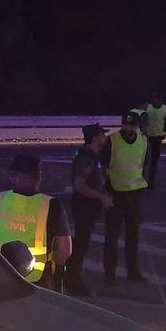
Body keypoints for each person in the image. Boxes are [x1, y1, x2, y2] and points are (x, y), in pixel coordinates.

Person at [0, 153, 70, 289]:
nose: (11, 179)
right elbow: (64, 251)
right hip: (38, 280)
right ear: (38, 178)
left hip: (2, 273)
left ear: (20, 177)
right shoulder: (51, 205)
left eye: (13, 175)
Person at [62, 125, 114, 297]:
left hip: (86, 207)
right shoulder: (87, 157)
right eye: (102, 135)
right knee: (80, 247)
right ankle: (73, 282)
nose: (104, 138)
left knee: (81, 245)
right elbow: (79, 184)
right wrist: (101, 197)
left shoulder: (90, 155)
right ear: (95, 137)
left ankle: (70, 279)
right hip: (85, 207)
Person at [103, 111, 149, 285]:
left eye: (132, 125)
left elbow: (145, 164)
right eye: (126, 125)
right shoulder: (112, 140)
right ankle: (110, 274)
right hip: (115, 193)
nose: (128, 128)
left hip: (135, 194)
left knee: (133, 235)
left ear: (137, 126)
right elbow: (103, 164)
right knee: (112, 236)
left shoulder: (144, 141)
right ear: (122, 124)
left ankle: (133, 272)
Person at [138, 92, 166, 188]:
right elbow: (141, 119)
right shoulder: (147, 107)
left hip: (157, 137)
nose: (155, 101)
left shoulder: (164, 109)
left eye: (156, 99)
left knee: (154, 161)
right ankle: (143, 180)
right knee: (145, 160)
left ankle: (151, 182)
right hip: (147, 137)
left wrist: (164, 129)